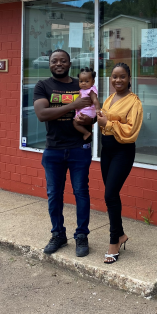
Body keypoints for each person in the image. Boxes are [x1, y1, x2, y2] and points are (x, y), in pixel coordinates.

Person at [33, 49, 96, 258]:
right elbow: (42, 114)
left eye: (63, 61)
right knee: (54, 195)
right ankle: (58, 234)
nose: (58, 64)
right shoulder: (43, 86)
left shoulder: (80, 85)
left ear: (70, 63)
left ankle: (82, 235)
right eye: (54, 61)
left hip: (79, 148)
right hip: (53, 149)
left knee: (81, 192)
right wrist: (74, 105)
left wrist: (89, 120)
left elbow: (91, 114)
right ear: (49, 64)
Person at [96, 62, 143, 264]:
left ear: (129, 79)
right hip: (106, 151)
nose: (117, 80)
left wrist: (108, 123)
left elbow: (131, 131)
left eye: (122, 76)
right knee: (111, 196)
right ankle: (121, 233)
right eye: (114, 76)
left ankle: (114, 241)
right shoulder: (110, 98)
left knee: (110, 194)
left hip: (123, 151)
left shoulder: (135, 103)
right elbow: (103, 119)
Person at [73, 67, 100, 141]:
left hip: (88, 112)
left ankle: (86, 133)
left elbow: (95, 100)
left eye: (87, 81)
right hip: (84, 111)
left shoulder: (91, 90)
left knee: (75, 123)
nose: (83, 83)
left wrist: (98, 110)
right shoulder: (82, 90)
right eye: (81, 81)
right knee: (78, 122)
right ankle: (86, 132)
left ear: (93, 82)